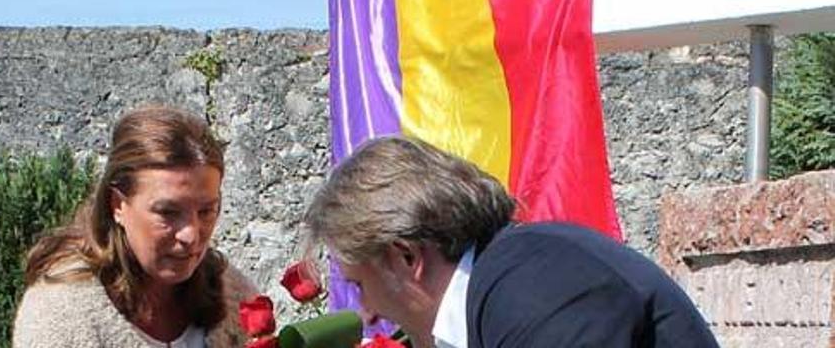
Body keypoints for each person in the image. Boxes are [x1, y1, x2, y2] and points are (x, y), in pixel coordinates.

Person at [305, 135, 719, 348]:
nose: (368, 313)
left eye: (360, 286)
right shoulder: (508, 281)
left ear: (407, 256)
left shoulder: (539, 290)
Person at [13, 106, 258, 348]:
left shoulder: (236, 298)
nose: (190, 235)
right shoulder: (59, 317)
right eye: (167, 212)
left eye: (206, 211)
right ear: (118, 205)